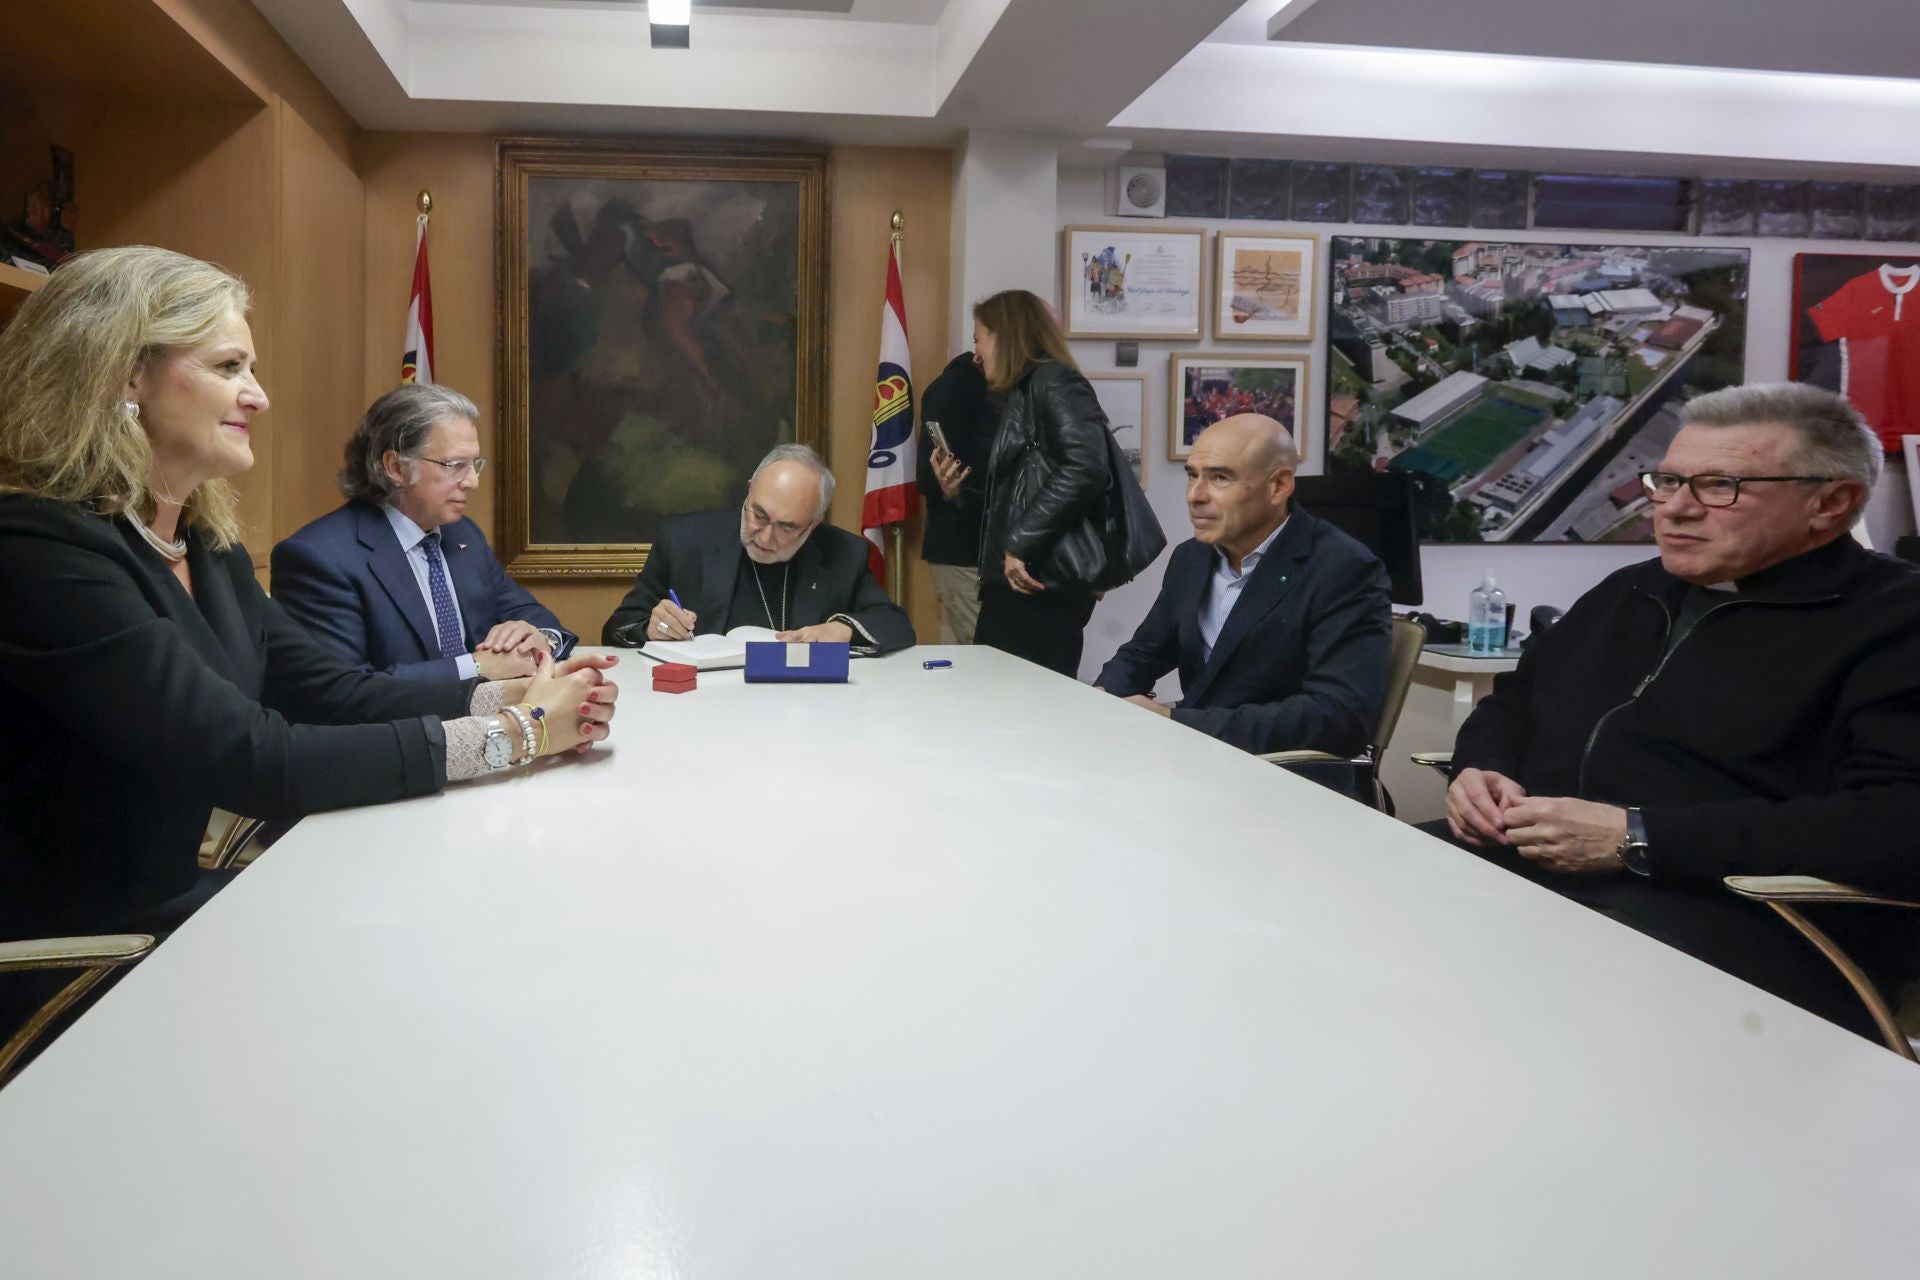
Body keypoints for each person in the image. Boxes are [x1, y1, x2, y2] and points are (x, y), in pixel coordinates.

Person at [0, 246, 622, 1050]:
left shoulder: (206, 543)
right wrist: (523, 736)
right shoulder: (38, 548)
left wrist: (519, 697)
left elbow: (333, 691)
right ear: (125, 375)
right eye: (228, 366)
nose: (258, 395)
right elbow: (253, 755)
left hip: (191, 916)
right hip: (90, 962)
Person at [1436, 382, 1920, 1038]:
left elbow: (1896, 826)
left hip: (1746, 917)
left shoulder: (1895, 621)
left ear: (1829, 504)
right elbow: (1518, 701)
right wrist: (1480, 767)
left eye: (1719, 486)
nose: (1673, 510)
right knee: (1351, 892)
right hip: (1539, 873)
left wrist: (1638, 839)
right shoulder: (1631, 590)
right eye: (1666, 481)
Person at [1094, 413, 1391, 755]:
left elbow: (1338, 717)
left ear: (1278, 486)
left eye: (1219, 478)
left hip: (1284, 774)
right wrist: (1101, 700)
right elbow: (1144, 653)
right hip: (1199, 755)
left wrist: (1173, 720)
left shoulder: (1343, 570)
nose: (1195, 495)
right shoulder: (1192, 558)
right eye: (1192, 476)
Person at [271, 383, 576, 681]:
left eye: (474, 465)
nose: (472, 482)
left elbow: (533, 616)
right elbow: (343, 691)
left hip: (488, 721)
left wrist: (540, 639)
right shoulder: (319, 558)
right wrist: (474, 667)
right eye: (455, 465)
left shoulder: (463, 535)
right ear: (396, 468)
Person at [602, 443, 914, 653]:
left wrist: (842, 630)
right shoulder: (684, 540)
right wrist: (651, 628)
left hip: (807, 711)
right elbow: (618, 627)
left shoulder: (844, 553)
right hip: (703, 708)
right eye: (759, 515)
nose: (764, 537)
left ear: (814, 523)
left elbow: (896, 625)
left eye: (787, 527)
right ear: (750, 490)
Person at [959, 289, 1112, 676]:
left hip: (1038, 584)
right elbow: (1025, 488)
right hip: (1023, 581)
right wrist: (960, 489)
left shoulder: (1054, 381)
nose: (976, 353)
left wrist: (1020, 542)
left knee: (1021, 709)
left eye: (978, 338)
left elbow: (1086, 467)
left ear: (1004, 336)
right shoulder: (1027, 390)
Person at [915, 351, 1000, 643]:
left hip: (999, 554)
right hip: (965, 552)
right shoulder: (959, 386)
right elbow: (928, 476)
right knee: (989, 664)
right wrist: (956, 491)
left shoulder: (1019, 385)